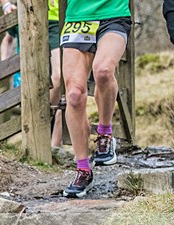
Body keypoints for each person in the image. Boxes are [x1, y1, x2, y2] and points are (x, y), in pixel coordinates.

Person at [60, 0, 131, 198]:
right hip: (77, 18)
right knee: (74, 94)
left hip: (113, 13)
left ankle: (105, 134)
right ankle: (83, 169)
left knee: (103, 71)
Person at [1, 1, 65, 153]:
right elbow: (7, 40)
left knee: (59, 80)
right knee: (33, 88)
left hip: (57, 19)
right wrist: (6, 5)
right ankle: (41, 136)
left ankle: (53, 142)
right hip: (30, 16)